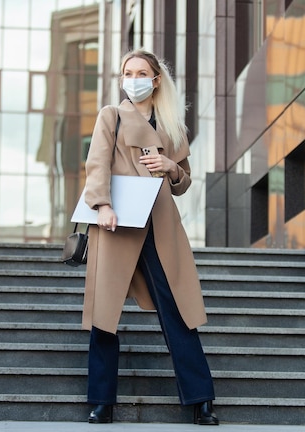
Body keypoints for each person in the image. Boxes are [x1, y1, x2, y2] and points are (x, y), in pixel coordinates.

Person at [81, 48, 219, 426]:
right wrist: (102, 205)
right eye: (128, 72)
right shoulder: (112, 115)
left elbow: (183, 183)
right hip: (117, 224)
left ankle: (201, 400)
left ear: (156, 79)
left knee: (178, 312)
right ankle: (100, 402)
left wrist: (172, 166)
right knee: (104, 314)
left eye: (141, 72)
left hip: (159, 225)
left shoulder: (172, 125)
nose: (134, 79)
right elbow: (97, 164)